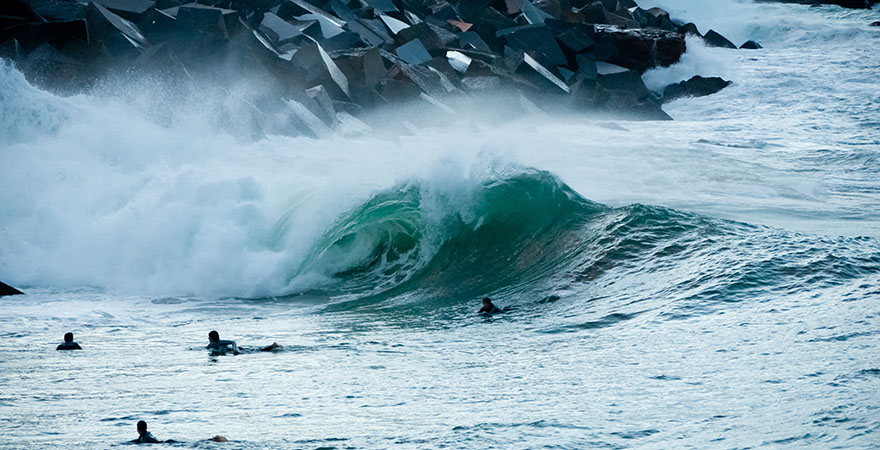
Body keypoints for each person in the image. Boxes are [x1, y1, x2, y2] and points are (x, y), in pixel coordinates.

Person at [206, 330, 280, 355]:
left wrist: (236, 349)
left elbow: (233, 342)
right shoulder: (211, 345)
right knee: (257, 350)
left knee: (258, 351)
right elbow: (205, 348)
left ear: (212, 338)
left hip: (239, 349)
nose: (208, 338)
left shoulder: (221, 342)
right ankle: (272, 346)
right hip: (233, 351)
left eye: (209, 337)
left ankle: (272, 346)